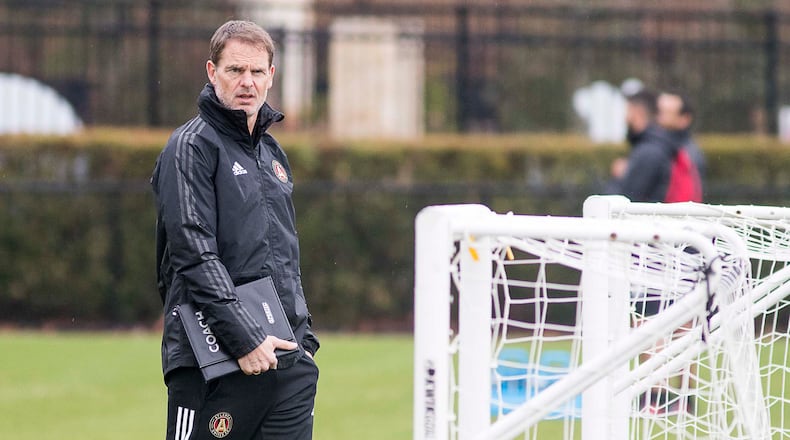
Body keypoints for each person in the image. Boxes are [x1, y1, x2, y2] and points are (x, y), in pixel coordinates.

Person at [151, 20, 319, 440]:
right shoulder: (190, 147)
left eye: (257, 72)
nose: (247, 82)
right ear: (212, 72)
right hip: (215, 360)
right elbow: (193, 253)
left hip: (285, 360)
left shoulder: (272, 151)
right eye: (235, 70)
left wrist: (303, 335)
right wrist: (244, 338)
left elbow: (283, 256)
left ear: (271, 77)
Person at [606, 89, 679, 202]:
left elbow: (625, 202)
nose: (625, 117)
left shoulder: (648, 152)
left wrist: (619, 177)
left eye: (628, 111)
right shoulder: (655, 145)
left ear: (637, 112)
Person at [657, 90, 707, 191]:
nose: (658, 117)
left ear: (685, 119)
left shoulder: (689, 155)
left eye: (666, 112)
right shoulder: (656, 146)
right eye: (657, 111)